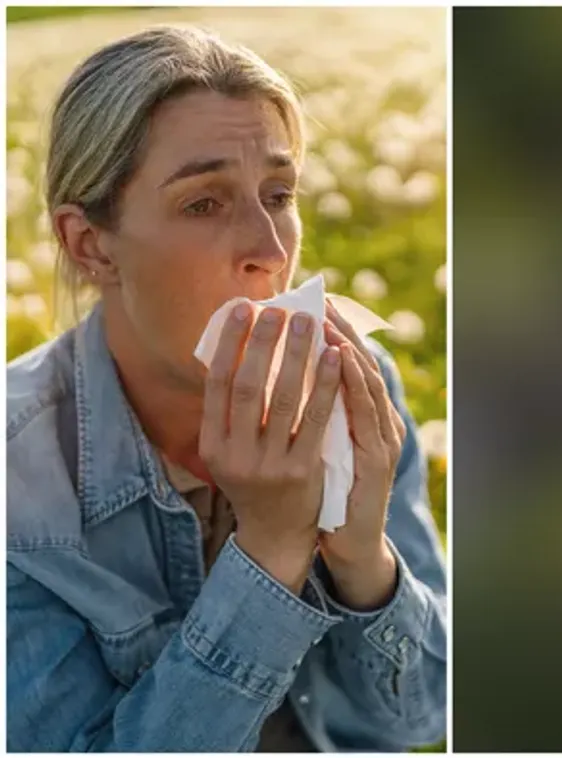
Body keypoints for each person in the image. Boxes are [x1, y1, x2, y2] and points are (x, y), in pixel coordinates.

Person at [6, 24, 446, 752]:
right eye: (204, 203)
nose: (271, 253)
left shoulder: (355, 391)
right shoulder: (19, 487)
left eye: (279, 194)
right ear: (90, 246)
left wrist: (363, 561)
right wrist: (271, 550)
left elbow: (417, 720)